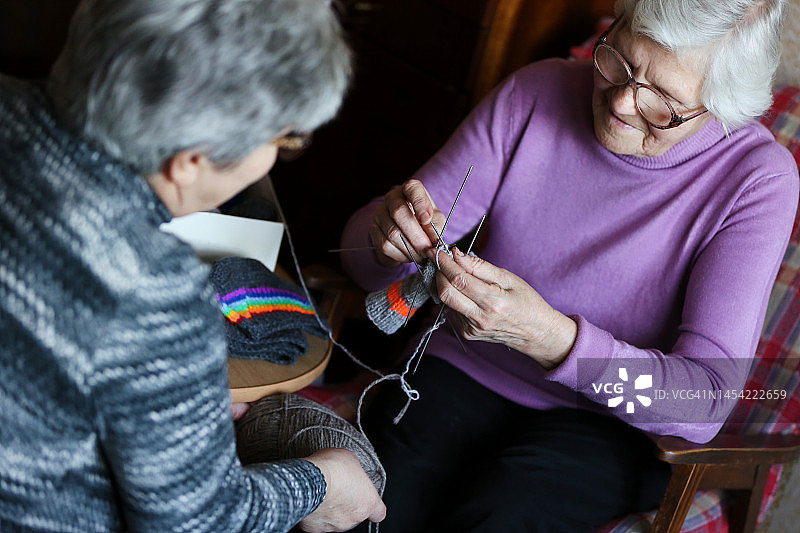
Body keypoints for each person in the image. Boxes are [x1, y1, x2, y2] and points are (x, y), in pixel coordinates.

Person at [340, 0, 799, 531]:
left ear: (721, 109)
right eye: (619, 63)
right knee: (369, 505)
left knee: (507, 509)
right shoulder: (536, 92)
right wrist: (383, 242)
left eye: (663, 101)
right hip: (461, 373)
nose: (623, 103)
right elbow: (369, 264)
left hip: (611, 425)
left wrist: (551, 339)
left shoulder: (756, 179)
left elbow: (703, 402)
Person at [0, 0, 386, 531]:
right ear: (190, 161)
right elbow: (195, 521)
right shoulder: (151, 284)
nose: (274, 157)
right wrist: (322, 482)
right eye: (282, 139)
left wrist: (170, 400)